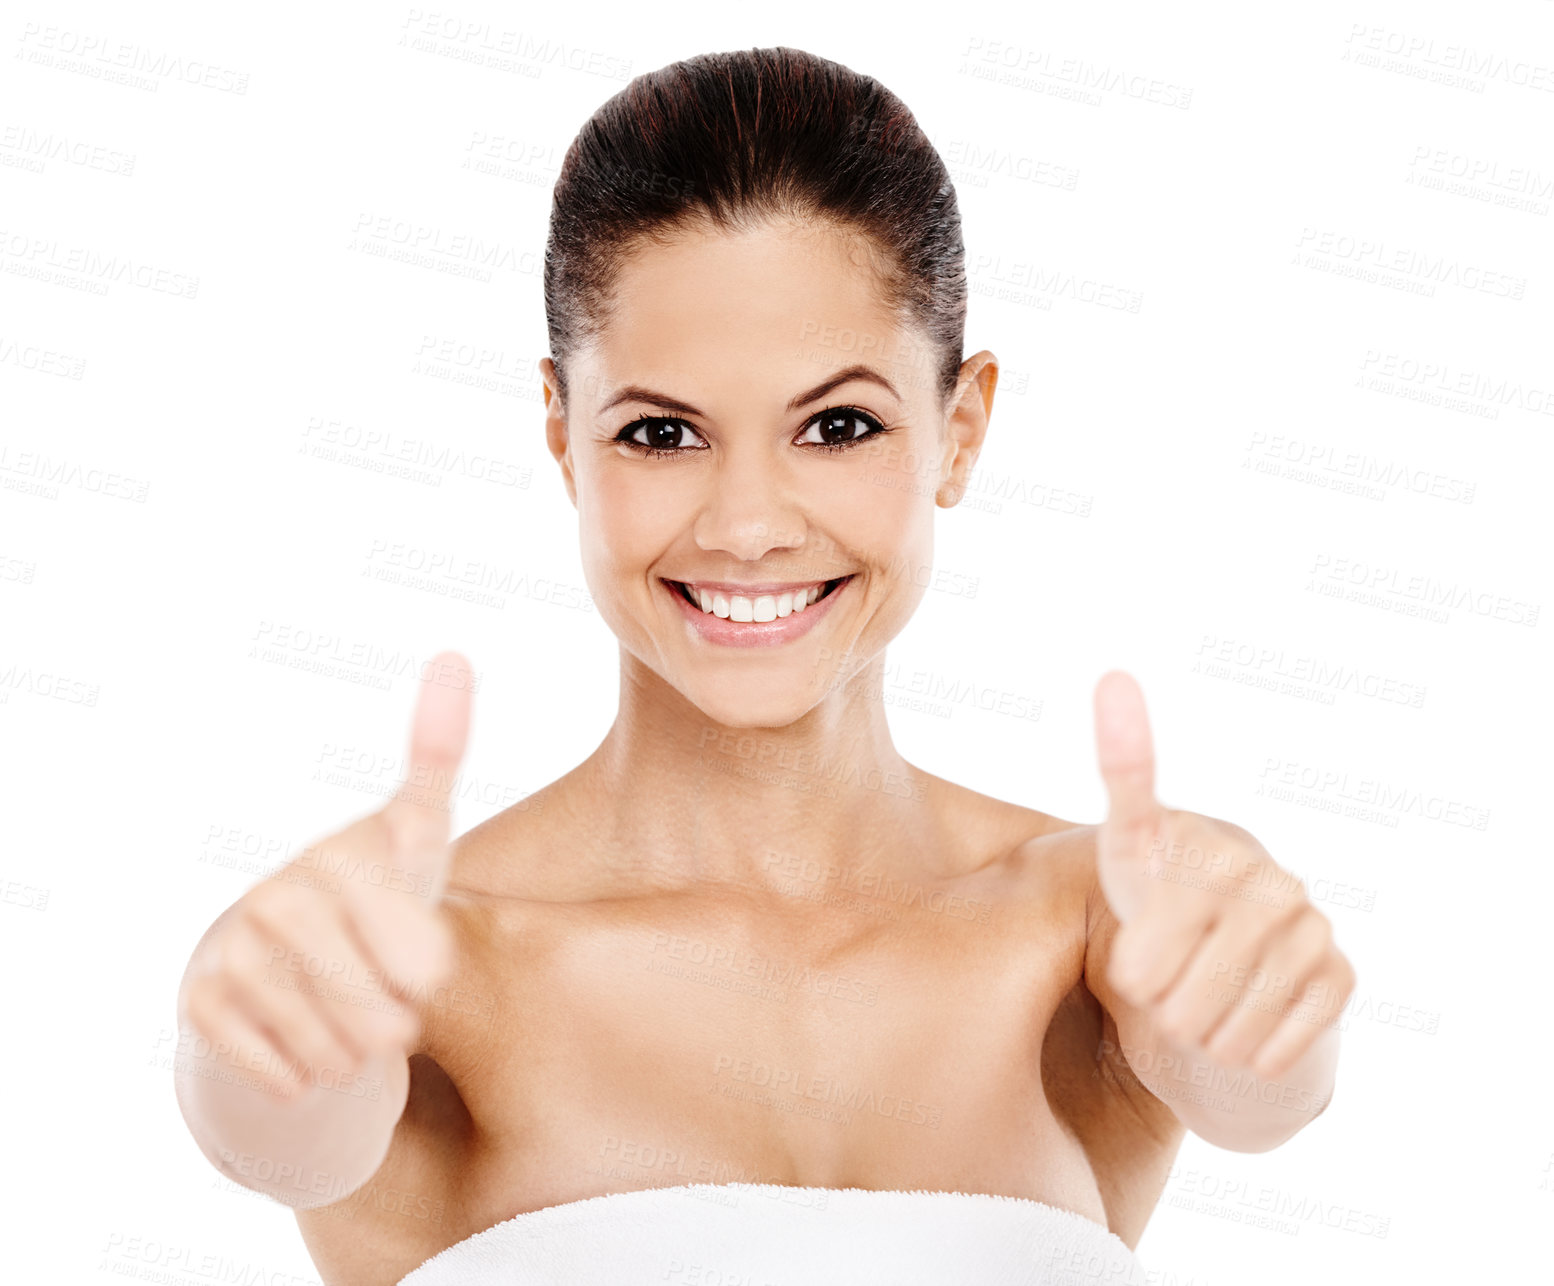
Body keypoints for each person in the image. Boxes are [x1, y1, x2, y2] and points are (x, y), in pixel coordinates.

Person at [172, 46, 1355, 1285]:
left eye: (838, 424)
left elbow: (1257, 1096)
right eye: (660, 432)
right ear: (561, 435)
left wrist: (1267, 1006)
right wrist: (247, 1041)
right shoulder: (425, 966)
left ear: (960, 428)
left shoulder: (1090, 925)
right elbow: (280, 1139)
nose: (746, 524)